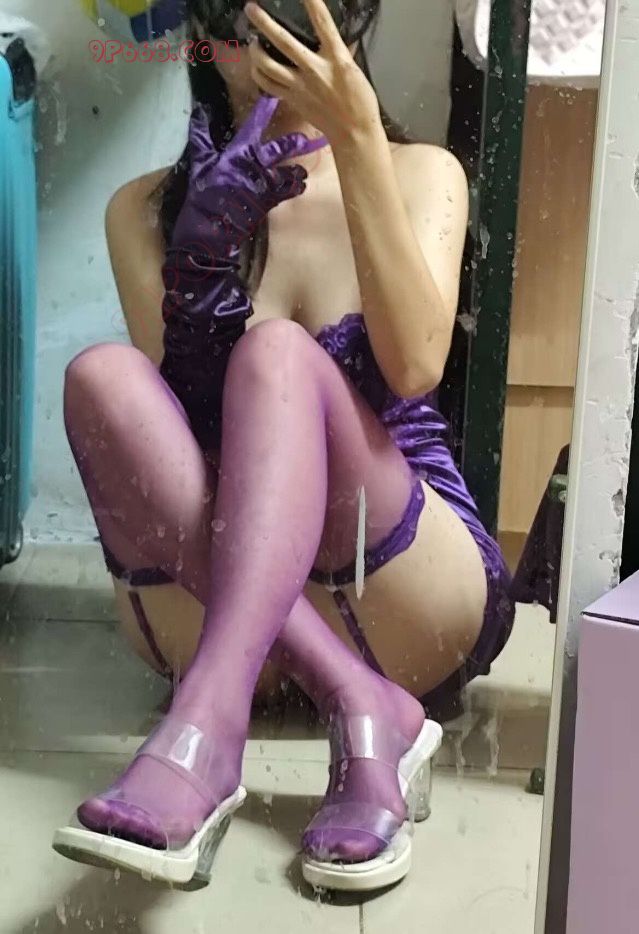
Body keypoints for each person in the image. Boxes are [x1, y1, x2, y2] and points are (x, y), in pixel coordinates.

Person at [54, 0, 515, 893]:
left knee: (276, 354)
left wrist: (358, 138)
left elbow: (415, 366)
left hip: (397, 576)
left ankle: (205, 731)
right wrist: (196, 284)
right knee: (101, 378)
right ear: (203, 29)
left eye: (295, 15)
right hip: (223, 585)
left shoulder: (425, 175)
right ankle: (353, 695)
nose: (266, 38)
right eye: (240, 14)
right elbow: (175, 450)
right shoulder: (139, 211)